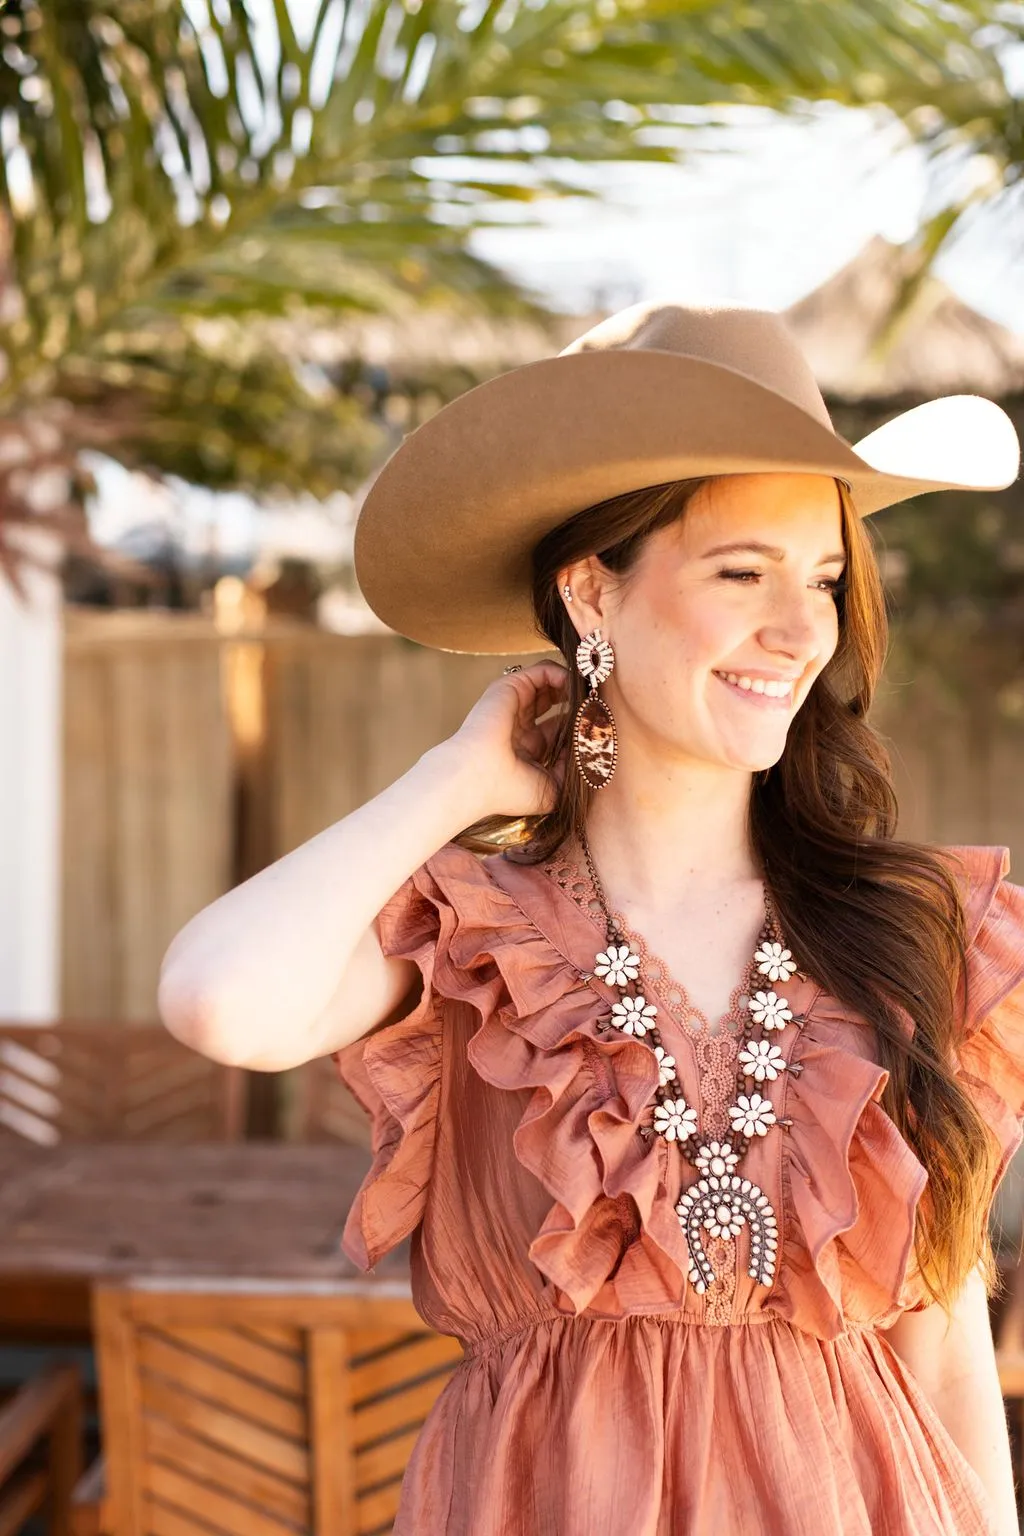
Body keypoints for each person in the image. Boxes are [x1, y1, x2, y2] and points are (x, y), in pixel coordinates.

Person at [158, 301, 1024, 1535]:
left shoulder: (919, 931)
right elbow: (215, 1001)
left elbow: (942, 1351)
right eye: (742, 573)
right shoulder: (469, 932)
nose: (798, 630)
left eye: (822, 579)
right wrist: (455, 781)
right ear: (592, 594)